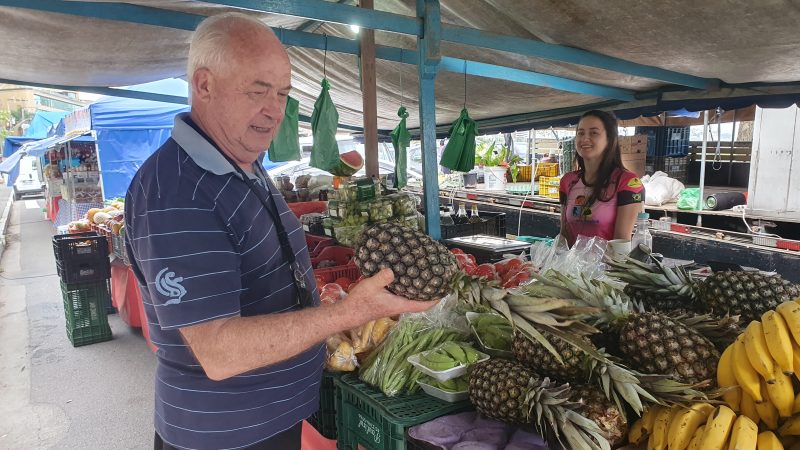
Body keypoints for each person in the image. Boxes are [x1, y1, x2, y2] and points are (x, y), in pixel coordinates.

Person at [125, 13, 434, 450]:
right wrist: (348, 314)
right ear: (204, 85)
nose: (275, 110)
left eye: (283, 94)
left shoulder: (242, 163)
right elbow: (218, 351)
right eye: (257, 91)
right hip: (225, 435)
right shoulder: (178, 192)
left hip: (265, 422)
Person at [558, 110, 645, 247]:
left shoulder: (627, 182)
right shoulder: (568, 181)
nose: (585, 139)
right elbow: (564, 236)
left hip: (608, 267)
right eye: (580, 133)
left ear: (610, 139)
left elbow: (621, 242)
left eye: (594, 133)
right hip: (570, 267)